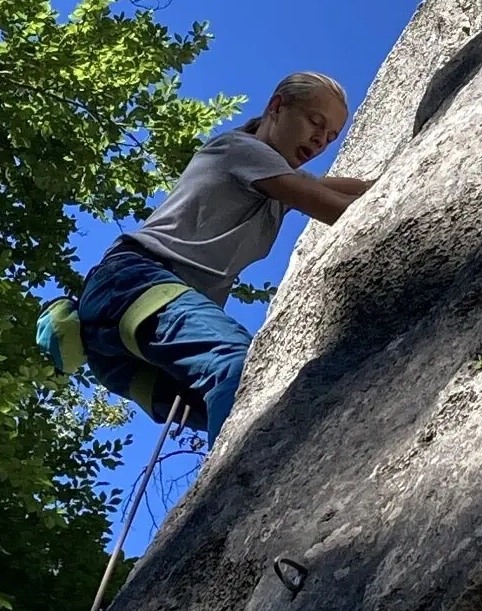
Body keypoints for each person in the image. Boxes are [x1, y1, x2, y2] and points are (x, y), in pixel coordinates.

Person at [76, 71, 373, 445]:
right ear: (276, 107)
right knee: (238, 369)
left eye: (331, 137)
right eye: (316, 122)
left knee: (263, 412)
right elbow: (334, 206)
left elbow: (347, 187)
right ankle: (248, 483)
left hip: (120, 346)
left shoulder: (274, 177)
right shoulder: (242, 150)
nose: (320, 140)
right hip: (135, 284)